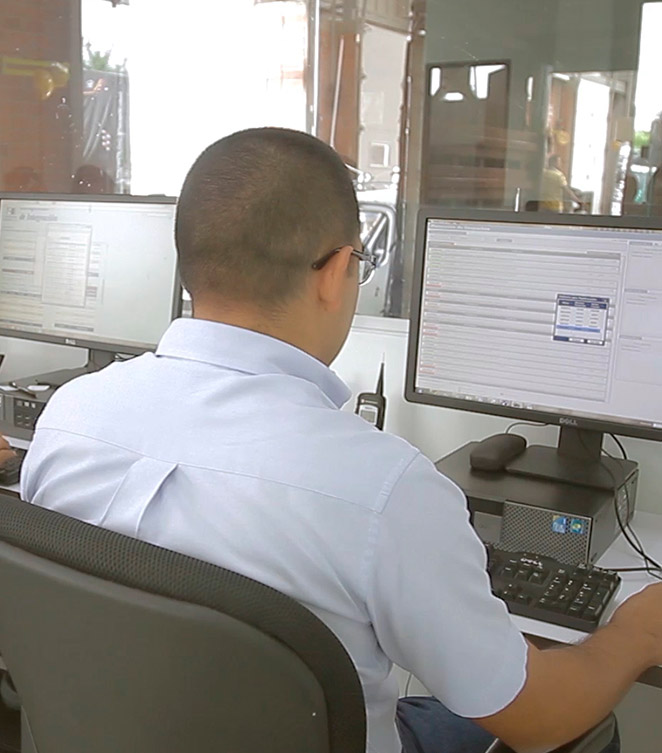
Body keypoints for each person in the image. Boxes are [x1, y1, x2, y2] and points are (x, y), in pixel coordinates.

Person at [19, 128, 662, 753]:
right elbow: (538, 718)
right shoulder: (383, 490)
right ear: (333, 273)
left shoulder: (70, 416)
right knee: (581, 723)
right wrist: (633, 636)